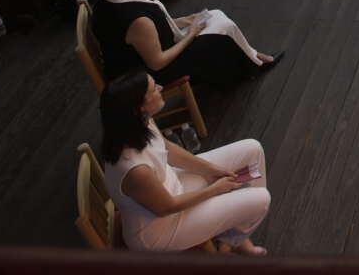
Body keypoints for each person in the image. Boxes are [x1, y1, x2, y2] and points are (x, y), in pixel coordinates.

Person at [99, 71, 271, 254]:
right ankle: (233, 238)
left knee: (253, 149)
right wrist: (215, 189)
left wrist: (212, 169)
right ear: (139, 107)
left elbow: (166, 148)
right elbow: (167, 207)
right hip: (161, 229)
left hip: (173, 185)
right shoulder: (135, 170)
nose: (161, 88)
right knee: (262, 199)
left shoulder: (139, 123)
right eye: (153, 89)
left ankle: (233, 236)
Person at [90, 0, 275, 87]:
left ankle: (253, 55)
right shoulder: (135, 20)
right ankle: (252, 63)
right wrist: (191, 34)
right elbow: (157, 62)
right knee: (221, 32)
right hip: (151, 75)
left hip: (146, 53)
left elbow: (155, 26)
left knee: (216, 15)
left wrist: (185, 20)